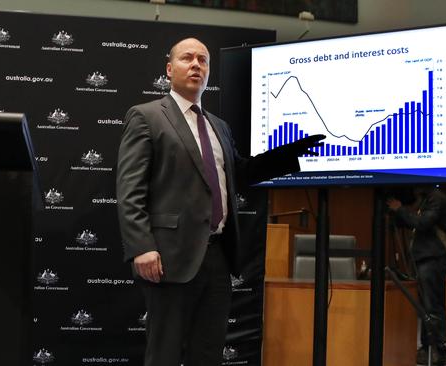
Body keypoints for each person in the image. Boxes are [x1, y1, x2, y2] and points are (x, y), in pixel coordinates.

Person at [116, 37, 324, 366]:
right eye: (187, 58)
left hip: (218, 257)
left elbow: (239, 173)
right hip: (169, 256)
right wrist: (141, 245)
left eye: (203, 60)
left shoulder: (219, 127)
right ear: (170, 69)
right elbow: (130, 188)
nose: (196, 64)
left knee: (208, 353)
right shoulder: (146, 117)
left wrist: (288, 155)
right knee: (164, 354)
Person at [387, 186, 446, 366]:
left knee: (433, 306)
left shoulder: (437, 198)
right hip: (424, 259)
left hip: (432, 259)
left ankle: (438, 350)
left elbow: (423, 223)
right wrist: (398, 214)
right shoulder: (427, 199)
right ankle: (427, 347)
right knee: (426, 307)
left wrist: (400, 209)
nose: (415, 186)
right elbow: (414, 222)